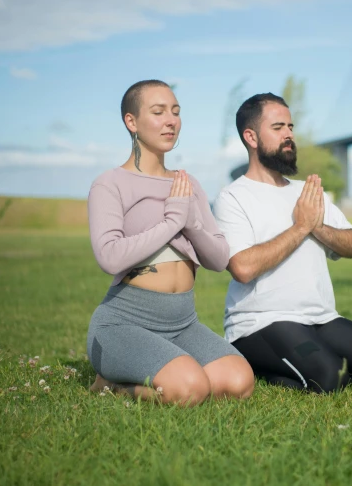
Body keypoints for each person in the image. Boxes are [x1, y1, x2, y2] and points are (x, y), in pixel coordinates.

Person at [213, 93, 352, 394]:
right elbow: (243, 268)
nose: (289, 135)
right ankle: (252, 362)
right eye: (277, 127)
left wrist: (317, 227)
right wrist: (301, 227)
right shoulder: (232, 198)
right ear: (251, 137)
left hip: (321, 317)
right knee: (328, 378)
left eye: (290, 126)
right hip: (260, 323)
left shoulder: (308, 193)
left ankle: (316, 357)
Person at [85, 80, 254, 406]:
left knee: (239, 383)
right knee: (190, 390)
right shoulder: (110, 184)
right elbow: (109, 257)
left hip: (182, 323)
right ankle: (109, 383)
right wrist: (171, 222)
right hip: (124, 323)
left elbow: (219, 259)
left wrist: (190, 220)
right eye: (158, 111)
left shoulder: (187, 184)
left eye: (175, 112)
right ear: (131, 122)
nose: (171, 120)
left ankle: (173, 369)